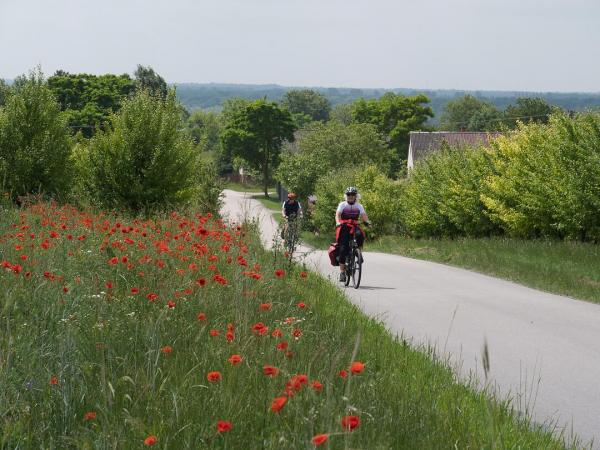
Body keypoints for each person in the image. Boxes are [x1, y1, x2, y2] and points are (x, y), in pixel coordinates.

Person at [335, 187, 370, 282]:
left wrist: (367, 222)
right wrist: (338, 222)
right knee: (342, 249)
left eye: (352, 195)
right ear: (346, 196)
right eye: (349, 195)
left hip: (354, 225)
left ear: (355, 196)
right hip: (344, 226)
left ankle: (358, 251)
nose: (350, 196)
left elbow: (364, 215)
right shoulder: (342, 204)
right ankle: (342, 272)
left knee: (360, 235)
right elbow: (337, 215)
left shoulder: (359, 206)